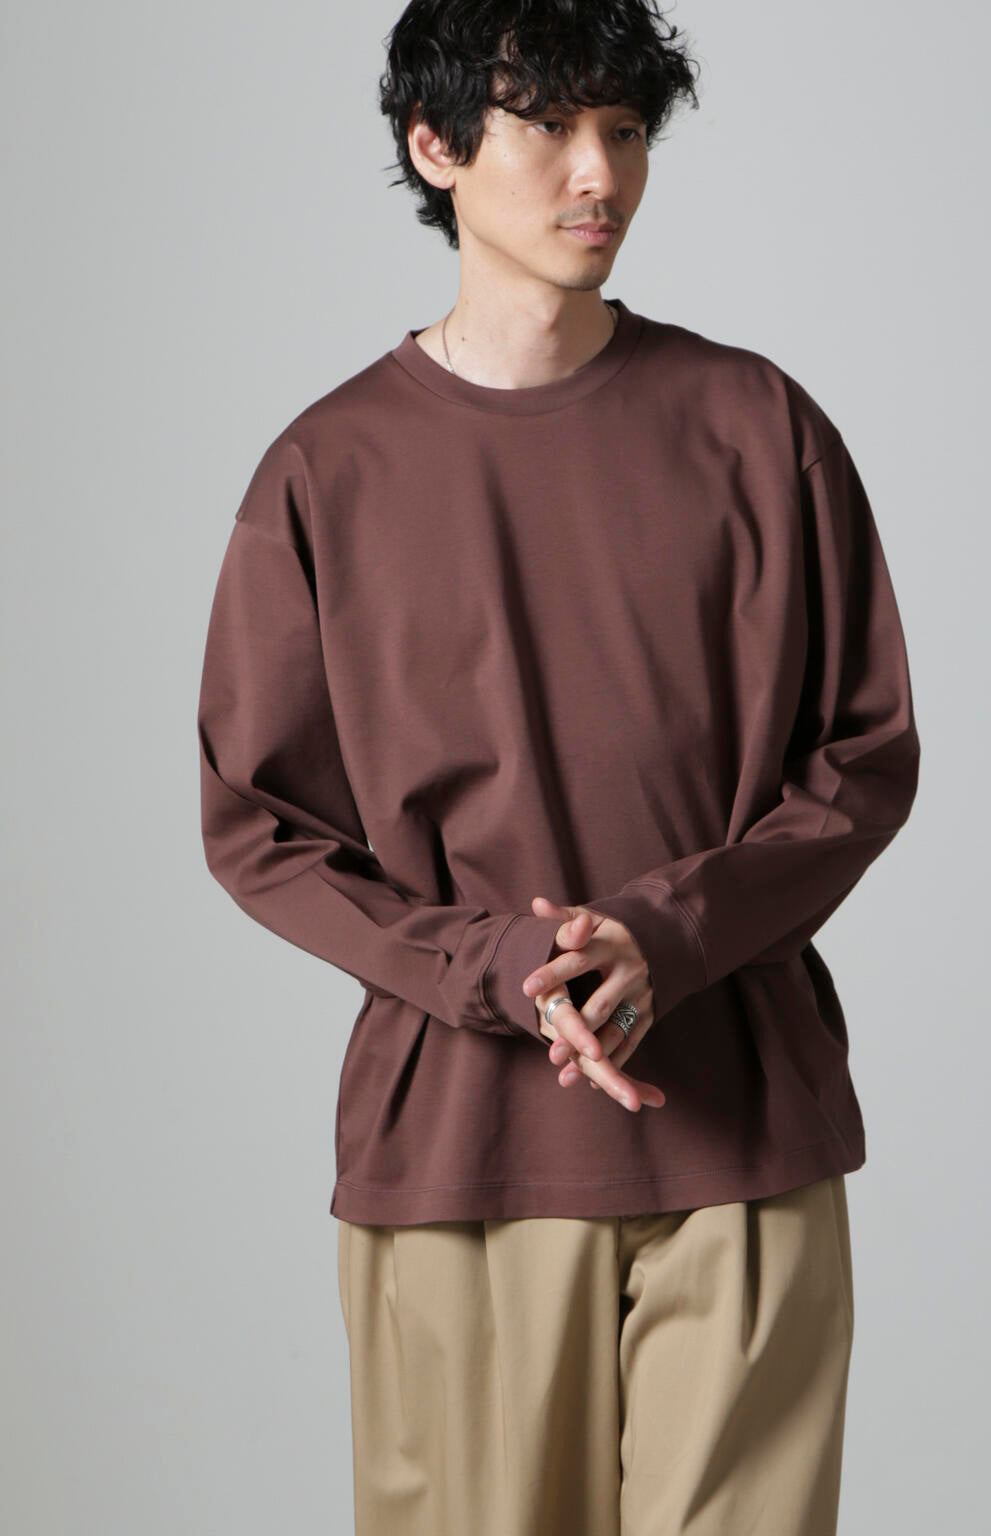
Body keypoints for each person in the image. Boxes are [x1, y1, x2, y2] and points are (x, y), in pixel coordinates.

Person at [196, 2, 921, 1531]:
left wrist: (667, 932)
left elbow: (859, 757)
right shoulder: (328, 473)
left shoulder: (757, 428)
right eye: (549, 126)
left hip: (740, 1138)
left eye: (627, 129)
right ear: (435, 145)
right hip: (461, 1154)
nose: (600, 173)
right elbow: (261, 825)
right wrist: (495, 961)